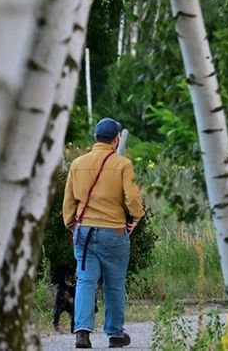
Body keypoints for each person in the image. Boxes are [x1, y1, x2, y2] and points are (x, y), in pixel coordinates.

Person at [62, 118, 143, 349]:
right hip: (114, 233)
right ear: (116, 140)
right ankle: (115, 334)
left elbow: (68, 202)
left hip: (84, 233)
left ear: (95, 139)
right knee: (114, 283)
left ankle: (82, 332)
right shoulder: (123, 165)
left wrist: (73, 225)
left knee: (86, 280)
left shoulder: (77, 163)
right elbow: (133, 199)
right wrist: (135, 217)